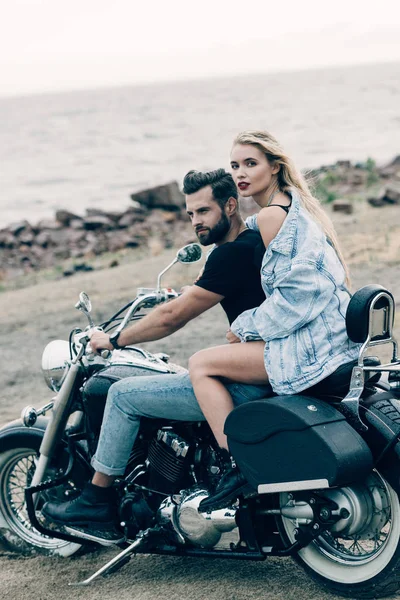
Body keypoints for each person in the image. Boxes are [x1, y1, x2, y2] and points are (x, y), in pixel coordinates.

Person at [41, 168, 273, 542]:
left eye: (203, 211)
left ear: (230, 206)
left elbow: (170, 319)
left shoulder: (229, 255)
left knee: (121, 395)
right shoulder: (256, 243)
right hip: (266, 370)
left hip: (249, 386)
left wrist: (114, 340)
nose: (196, 222)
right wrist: (192, 289)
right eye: (190, 214)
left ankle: (97, 499)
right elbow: (225, 290)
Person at [188, 130, 361, 513]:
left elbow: (297, 297)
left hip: (310, 348)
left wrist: (246, 326)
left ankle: (236, 463)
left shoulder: (270, 216)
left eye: (251, 164)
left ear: (275, 166)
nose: (240, 174)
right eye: (235, 165)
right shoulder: (292, 206)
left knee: (200, 363)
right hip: (331, 336)